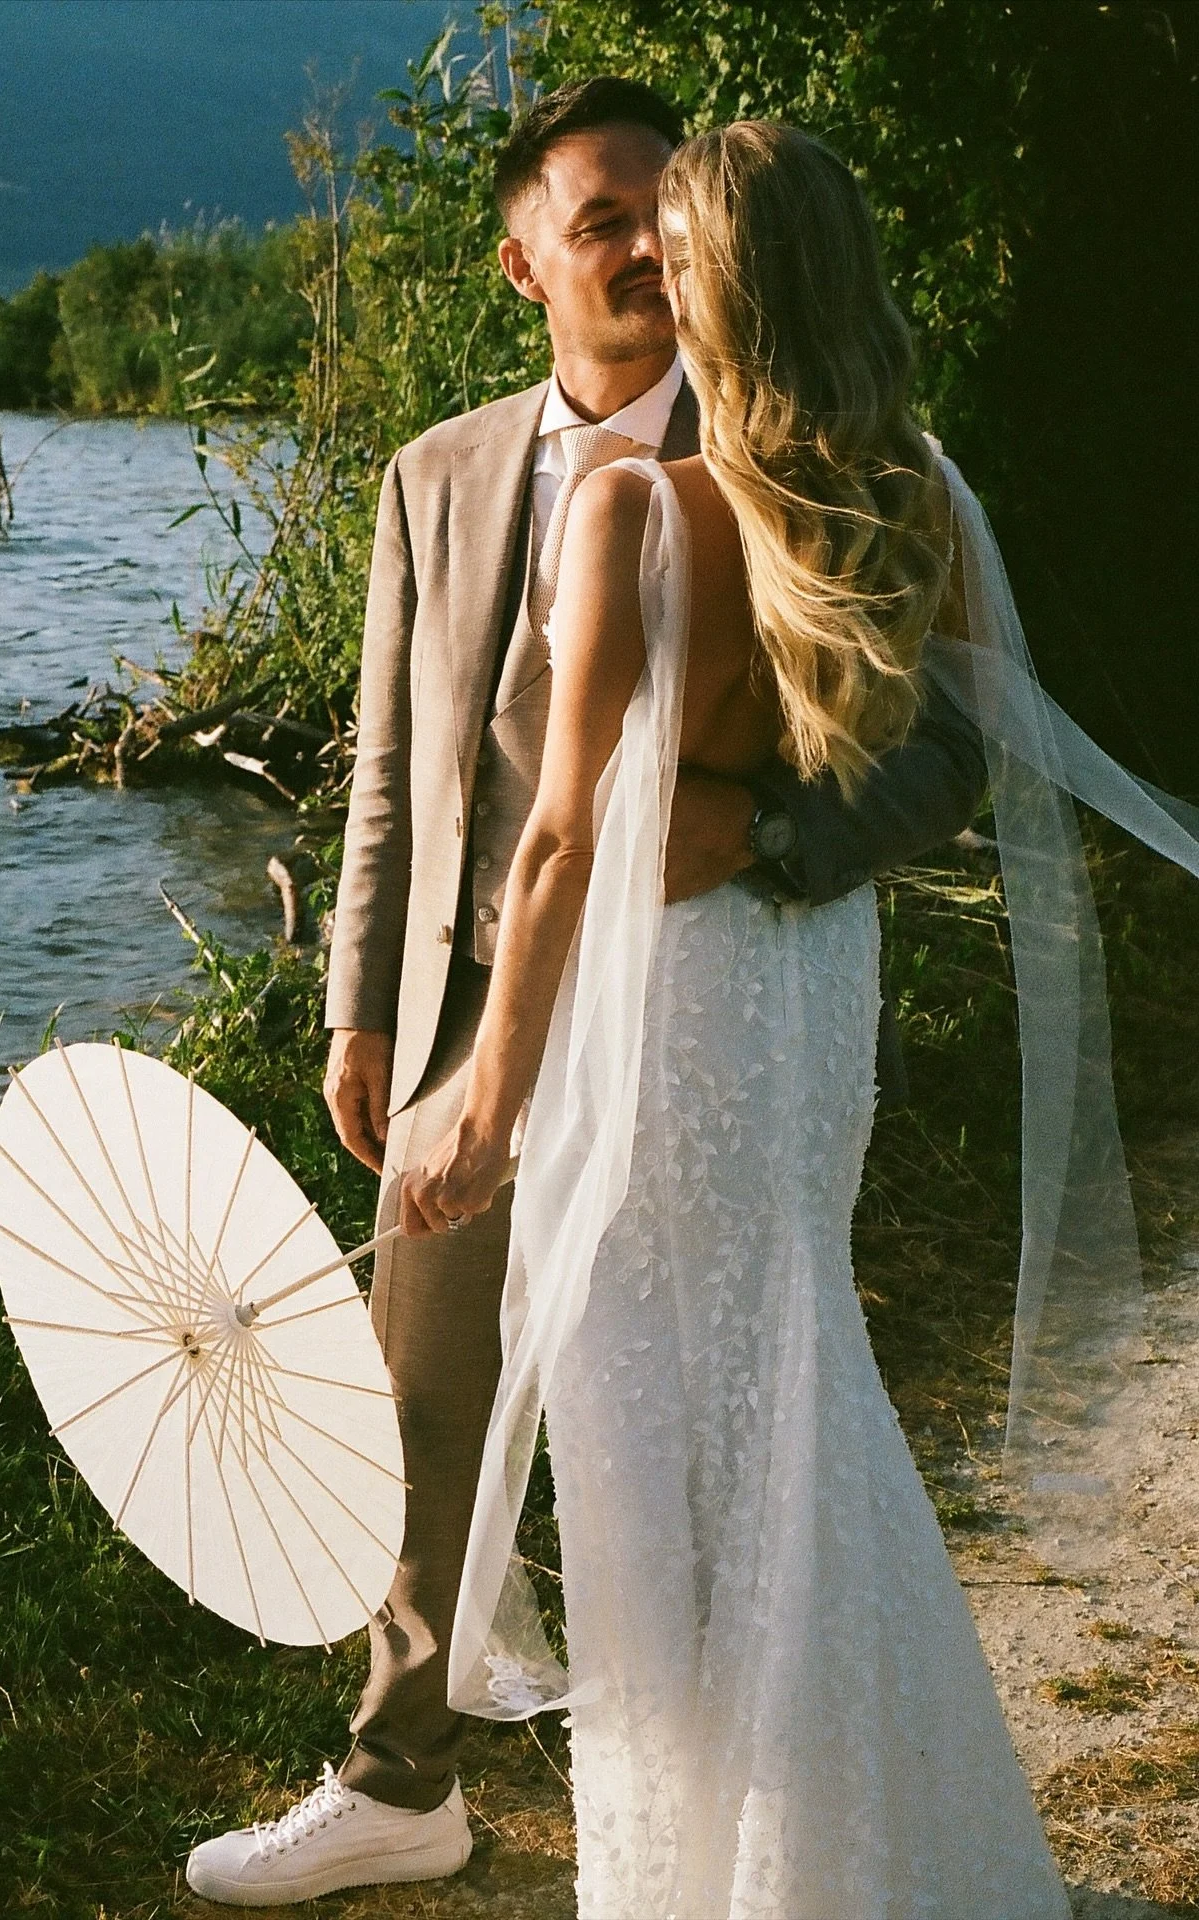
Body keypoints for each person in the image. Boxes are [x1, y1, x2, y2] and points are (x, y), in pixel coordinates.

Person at [186, 80, 987, 1909]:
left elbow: (943, 751)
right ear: (522, 258)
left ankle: (742, 1801)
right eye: (601, 217)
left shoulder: (793, 449)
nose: (639, 244)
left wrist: (765, 837)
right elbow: (393, 769)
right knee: (424, 1383)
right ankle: (404, 1776)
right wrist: (360, 1009)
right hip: (474, 1000)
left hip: (692, 992)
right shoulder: (436, 470)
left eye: (662, 213)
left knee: (684, 1390)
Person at [398, 119, 1076, 1917]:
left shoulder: (638, 507)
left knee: (640, 1448)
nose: (648, 275)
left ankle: (703, 1878)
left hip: (661, 999)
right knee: (796, 1384)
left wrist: (488, 1095)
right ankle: (856, 1849)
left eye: (671, 248)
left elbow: (558, 844)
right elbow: (983, 734)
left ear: (726, 283)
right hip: (803, 995)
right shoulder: (909, 496)